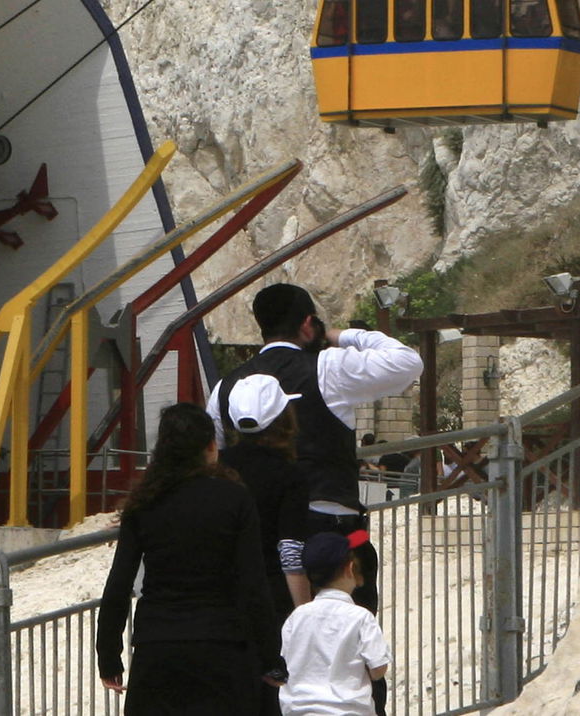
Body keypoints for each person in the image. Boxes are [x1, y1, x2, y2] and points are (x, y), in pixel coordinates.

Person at [208, 283, 420, 715]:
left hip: (258, 539)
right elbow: (406, 362)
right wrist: (345, 335)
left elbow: (214, 457)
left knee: (272, 654)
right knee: (351, 650)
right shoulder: (327, 366)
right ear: (308, 324)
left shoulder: (226, 387)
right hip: (333, 532)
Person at [97, 403, 280, 715]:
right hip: (222, 643)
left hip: (158, 646)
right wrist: (271, 656)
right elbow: (254, 583)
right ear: (210, 446)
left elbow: (119, 582)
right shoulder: (235, 499)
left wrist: (109, 656)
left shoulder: (144, 502)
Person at [219, 374, 312, 715]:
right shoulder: (290, 475)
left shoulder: (217, 466)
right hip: (271, 600)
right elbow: (290, 550)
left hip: (220, 597)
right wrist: (305, 612)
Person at [279, 531, 391, 716]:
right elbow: (378, 669)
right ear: (350, 568)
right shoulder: (360, 617)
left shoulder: (295, 618)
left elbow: (287, 662)